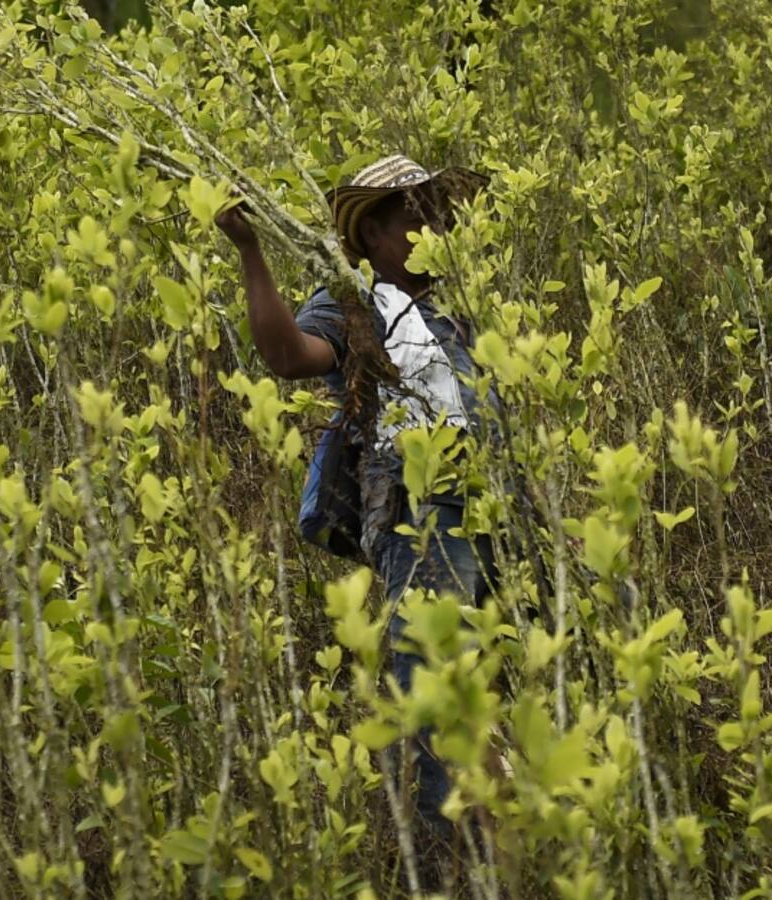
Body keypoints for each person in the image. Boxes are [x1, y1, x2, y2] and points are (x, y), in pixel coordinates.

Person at [216, 155, 499, 879]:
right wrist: (251, 252)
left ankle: (496, 854)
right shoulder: (356, 305)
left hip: (493, 514)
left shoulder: (457, 307)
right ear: (371, 233)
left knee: (483, 687)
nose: (433, 228)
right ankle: (447, 869)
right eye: (415, 216)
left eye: (437, 213)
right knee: (435, 686)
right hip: (420, 512)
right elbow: (287, 355)